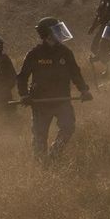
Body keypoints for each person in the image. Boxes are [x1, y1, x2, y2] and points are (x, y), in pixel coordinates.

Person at [17, 17, 92, 161]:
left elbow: (75, 74)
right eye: (56, 30)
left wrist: (84, 90)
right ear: (47, 34)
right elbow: (22, 77)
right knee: (40, 136)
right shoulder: (34, 54)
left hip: (62, 99)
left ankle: (54, 154)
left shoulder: (66, 52)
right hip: (40, 102)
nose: (60, 32)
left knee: (68, 128)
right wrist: (24, 94)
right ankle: (41, 165)